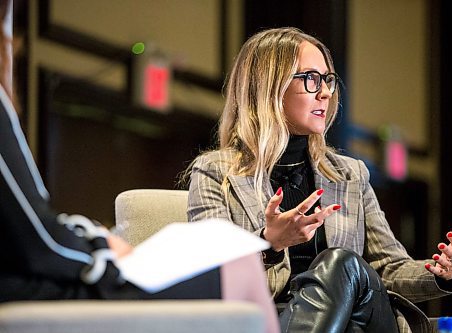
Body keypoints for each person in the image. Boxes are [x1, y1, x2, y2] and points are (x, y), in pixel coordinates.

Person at [0, 2, 280, 332]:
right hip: (31, 288)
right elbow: (40, 243)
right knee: (238, 263)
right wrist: (103, 250)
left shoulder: (351, 173)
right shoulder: (213, 169)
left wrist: (93, 234)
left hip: (32, 277)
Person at [186, 27, 452, 332]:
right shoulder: (215, 172)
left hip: (359, 312)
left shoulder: (349, 174)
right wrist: (268, 245)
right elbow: (209, 277)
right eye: (311, 79)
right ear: (269, 87)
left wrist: (439, 273)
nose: (326, 92)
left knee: (341, 264)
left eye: (328, 80)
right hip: (270, 320)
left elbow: (388, 267)